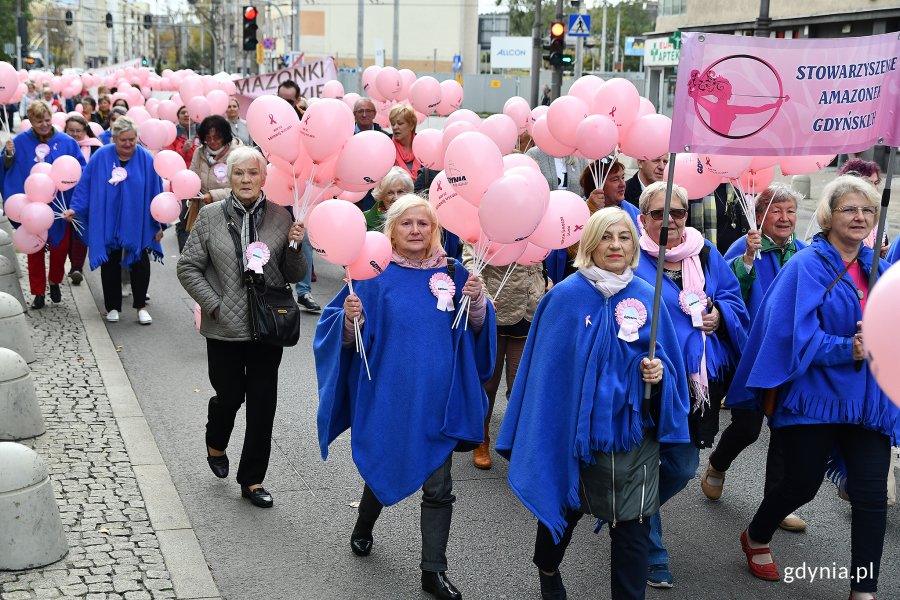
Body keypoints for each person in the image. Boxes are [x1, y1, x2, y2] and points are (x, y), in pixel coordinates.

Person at [496, 207, 690, 600]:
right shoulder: (564, 299)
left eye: (623, 237)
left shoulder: (646, 295)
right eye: (606, 237)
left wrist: (658, 373)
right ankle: (548, 570)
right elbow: (545, 375)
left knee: (633, 525)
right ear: (589, 244)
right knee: (564, 513)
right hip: (574, 436)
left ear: (635, 246)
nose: (615, 245)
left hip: (633, 438)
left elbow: (671, 364)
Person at [315, 194, 496, 600]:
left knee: (439, 486)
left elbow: (476, 333)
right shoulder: (372, 272)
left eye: (424, 224)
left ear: (436, 230)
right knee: (386, 462)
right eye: (406, 224)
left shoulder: (453, 271)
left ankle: (433, 571)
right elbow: (339, 338)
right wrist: (350, 319)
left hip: (440, 402)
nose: (416, 231)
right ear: (391, 230)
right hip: (389, 397)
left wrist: (480, 301)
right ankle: (364, 525)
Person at [728, 176, 895, 600]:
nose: (859, 217)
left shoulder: (880, 266)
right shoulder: (805, 266)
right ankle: (758, 534)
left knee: (871, 494)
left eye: (867, 211)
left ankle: (864, 590)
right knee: (801, 485)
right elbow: (790, 336)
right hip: (814, 397)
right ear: (828, 215)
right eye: (849, 209)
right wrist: (848, 347)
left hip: (869, 402)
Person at [633, 181, 749, 589]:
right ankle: (652, 551)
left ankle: (629, 512)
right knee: (645, 461)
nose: (669, 221)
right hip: (645, 379)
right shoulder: (629, 253)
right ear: (642, 216)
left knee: (681, 467)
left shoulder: (704, 252)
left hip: (695, 382)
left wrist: (719, 315)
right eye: (658, 214)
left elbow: (732, 300)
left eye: (678, 213)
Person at [177, 146, 307, 509]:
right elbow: (187, 267)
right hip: (224, 327)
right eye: (239, 173)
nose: (246, 179)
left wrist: (297, 245)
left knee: (263, 403)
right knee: (230, 395)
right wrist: (215, 304)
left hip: (269, 326)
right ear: (229, 177)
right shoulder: (211, 216)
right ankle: (215, 440)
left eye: (253, 173)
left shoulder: (283, 218)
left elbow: (295, 275)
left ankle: (252, 480)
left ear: (264, 177)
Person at [700, 184, 807, 530]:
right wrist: (746, 260)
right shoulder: (743, 247)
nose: (785, 218)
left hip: (788, 356)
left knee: (784, 428)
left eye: (790, 211)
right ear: (759, 216)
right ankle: (718, 463)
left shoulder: (803, 253)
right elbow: (726, 292)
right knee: (747, 426)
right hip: (747, 352)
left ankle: (775, 505)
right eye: (776, 211)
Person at [66, 117, 164, 325]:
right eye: (123, 140)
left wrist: (158, 224)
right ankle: (112, 306)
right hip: (107, 217)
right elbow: (86, 185)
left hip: (137, 219)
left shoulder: (146, 159)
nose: (128, 144)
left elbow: (156, 193)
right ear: (114, 139)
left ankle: (140, 306)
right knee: (109, 261)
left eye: (132, 139)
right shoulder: (101, 156)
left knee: (140, 260)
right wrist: (75, 208)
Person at [463, 235, 548, 470]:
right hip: (494, 313)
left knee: (520, 382)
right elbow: (471, 264)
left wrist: (544, 281)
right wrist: (484, 298)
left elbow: (539, 261)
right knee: (489, 382)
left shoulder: (536, 223)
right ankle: (481, 439)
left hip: (529, 312)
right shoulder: (487, 226)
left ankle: (520, 443)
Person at [3, 100, 86, 308]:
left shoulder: (67, 142)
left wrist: (75, 204)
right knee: (34, 249)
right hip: (31, 206)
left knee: (60, 248)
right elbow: (6, 167)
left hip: (60, 207)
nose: (44, 124)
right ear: (30, 121)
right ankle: (38, 293)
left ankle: (55, 281)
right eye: (39, 121)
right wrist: (9, 155)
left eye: (47, 120)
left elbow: (81, 171)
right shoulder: (20, 141)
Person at [546, 160, 639, 284]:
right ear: (597, 184)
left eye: (623, 177)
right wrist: (590, 210)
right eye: (615, 179)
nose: (623, 184)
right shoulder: (575, 211)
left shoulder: (634, 212)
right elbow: (569, 252)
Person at [177, 115, 242, 252]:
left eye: (217, 137)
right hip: (202, 211)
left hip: (227, 211)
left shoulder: (236, 154)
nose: (212, 141)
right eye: (208, 137)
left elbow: (239, 188)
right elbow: (192, 175)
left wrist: (213, 195)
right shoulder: (199, 152)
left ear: (225, 136)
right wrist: (190, 191)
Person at [62, 115, 101, 285]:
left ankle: (76, 267)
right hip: (62, 195)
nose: (75, 134)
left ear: (86, 131)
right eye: (71, 130)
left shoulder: (95, 148)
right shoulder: (61, 145)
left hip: (86, 196)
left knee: (80, 231)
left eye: (79, 131)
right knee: (65, 233)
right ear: (66, 130)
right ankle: (68, 264)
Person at [354, 98, 391, 211]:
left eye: (368, 111)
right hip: (352, 192)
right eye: (360, 111)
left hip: (377, 195)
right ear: (354, 115)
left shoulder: (386, 138)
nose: (364, 115)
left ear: (374, 113)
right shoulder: (345, 137)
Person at [363, 166, 413, 231]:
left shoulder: (417, 218)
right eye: (390, 193)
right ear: (381, 195)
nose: (396, 198)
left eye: (400, 192)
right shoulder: (364, 220)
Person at [389, 104, 421, 181]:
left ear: (411, 126)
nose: (395, 127)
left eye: (400, 123)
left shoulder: (423, 146)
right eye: (393, 124)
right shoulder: (387, 148)